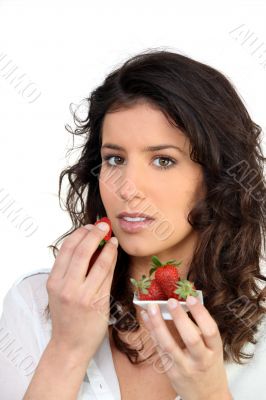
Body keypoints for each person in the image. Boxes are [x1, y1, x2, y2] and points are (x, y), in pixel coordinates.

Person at [0, 49, 265, 400]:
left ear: (217, 177)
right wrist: (66, 351)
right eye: (114, 159)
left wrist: (210, 394)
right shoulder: (36, 302)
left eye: (162, 160)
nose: (127, 186)